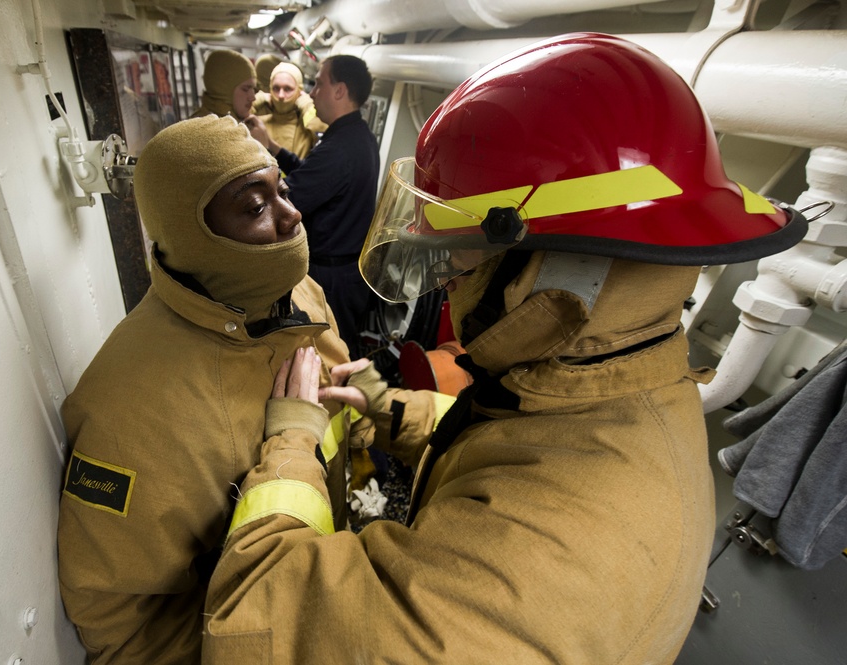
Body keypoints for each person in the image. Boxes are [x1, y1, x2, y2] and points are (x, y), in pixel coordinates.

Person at [200, 33, 809, 663]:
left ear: (560, 273)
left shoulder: (539, 562)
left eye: (458, 261)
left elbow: (256, 628)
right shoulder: (618, 377)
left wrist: (291, 446)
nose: (450, 286)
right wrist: (390, 407)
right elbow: (512, 446)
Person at [56, 114, 357, 664]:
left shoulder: (294, 292)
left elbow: (337, 377)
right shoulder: (133, 408)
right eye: (255, 206)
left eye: (282, 190)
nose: (292, 216)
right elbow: (125, 628)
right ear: (193, 235)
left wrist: (378, 399)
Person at [247, 54, 379, 359]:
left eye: (319, 83)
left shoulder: (340, 148)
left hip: (332, 278)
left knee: (331, 357)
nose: (312, 92)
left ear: (339, 91)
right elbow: (312, 172)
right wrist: (273, 147)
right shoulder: (356, 137)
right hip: (347, 271)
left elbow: (290, 199)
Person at [255, 62, 326, 159]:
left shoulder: (307, 129)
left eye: (287, 89)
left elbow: (325, 135)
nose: (281, 96)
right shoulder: (259, 124)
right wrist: (256, 100)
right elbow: (234, 123)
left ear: (299, 91)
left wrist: (308, 106)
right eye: (276, 88)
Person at [190, 49, 256, 120]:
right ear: (222, 90)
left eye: (253, 89)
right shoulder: (201, 128)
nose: (253, 97)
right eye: (245, 89)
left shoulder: (247, 121)